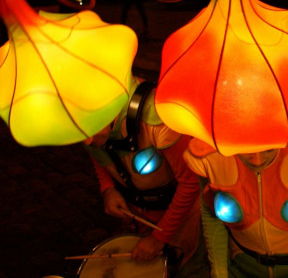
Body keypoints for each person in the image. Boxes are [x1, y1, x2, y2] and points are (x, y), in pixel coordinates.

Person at [182, 127, 288, 278]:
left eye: (269, 149)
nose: (257, 160)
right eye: (246, 149)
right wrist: (219, 272)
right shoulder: (209, 155)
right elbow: (212, 218)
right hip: (241, 267)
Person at [84, 77, 206, 276]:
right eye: (78, 136)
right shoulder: (84, 123)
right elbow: (99, 155)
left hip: (185, 216)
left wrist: (159, 238)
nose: (88, 141)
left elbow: (191, 183)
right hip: (139, 213)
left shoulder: (158, 117)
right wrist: (108, 188)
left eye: (89, 129)